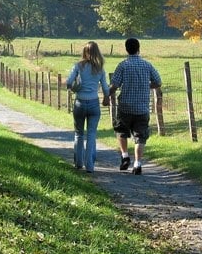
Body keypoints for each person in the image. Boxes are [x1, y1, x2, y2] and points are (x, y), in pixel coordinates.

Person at [109, 38, 162, 175]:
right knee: (140, 136)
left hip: (125, 106)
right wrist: (146, 86)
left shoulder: (123, 65)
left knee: (121, 131)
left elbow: (114, 85)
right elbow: (158, 82)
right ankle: (137, 164)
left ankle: (125, 156)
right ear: (139, 48)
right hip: (142, 107)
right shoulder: (147, 65)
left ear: (127, 49)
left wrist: (107, 96)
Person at [67, 41, 110, 173]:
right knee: (91, 134)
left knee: (79, 133)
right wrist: (106, 98)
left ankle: (78, 163)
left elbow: (69, 82)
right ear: (97, 52)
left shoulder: (78, 66)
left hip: (80, 102)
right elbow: (105, 88)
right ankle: (90, 166)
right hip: (93, 103)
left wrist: (75, 87)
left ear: (84, 52)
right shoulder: (100, 69)